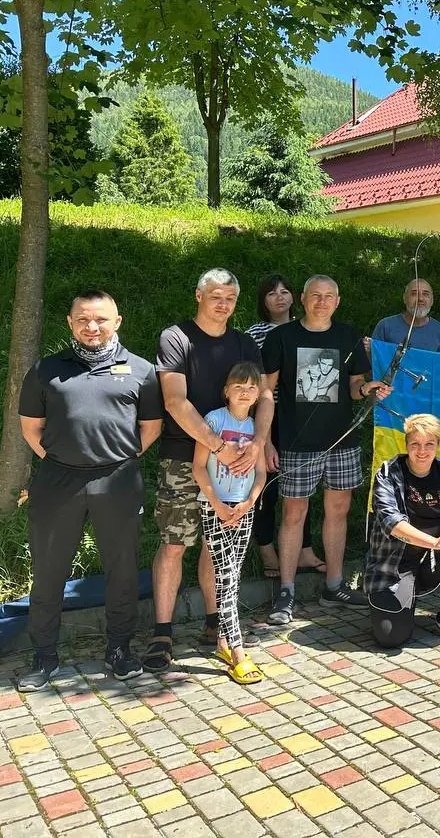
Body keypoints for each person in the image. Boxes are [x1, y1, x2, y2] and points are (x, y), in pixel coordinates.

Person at [16, 290, 163, 691]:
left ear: (117, 321)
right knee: (48, 572)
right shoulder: (46, 369)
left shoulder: (141, 370)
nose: (92, 327)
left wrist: (115, 458)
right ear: (70, 323)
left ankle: (119, 650)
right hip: (57, 482)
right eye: (83, 319)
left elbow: (150, 429)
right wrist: (64, 458)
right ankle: (44, 656)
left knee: (122, 572)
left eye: (100, 319)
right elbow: (31, 427)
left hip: (117, 481)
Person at [145, 269, 273, 674]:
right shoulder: (176, 338)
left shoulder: (245, 343)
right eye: (216, 296)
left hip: (237, 462)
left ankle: (216, 625)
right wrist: (218, 447)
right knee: (175, 542)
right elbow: (175, 401)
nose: (223, 304)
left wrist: (257, 443)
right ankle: (162, 633)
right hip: (186, 457)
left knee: (216, 547)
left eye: (231, 299)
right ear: (198, 295)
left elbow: (266, 395)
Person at [262, 275, 390, 625]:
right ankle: (286, 592)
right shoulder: (281, 338)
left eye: (328, 296)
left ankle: (334, 584)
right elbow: (264, 393)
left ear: (338, 300)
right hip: (295, 444)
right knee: (293, 514)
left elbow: (353, 388)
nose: (321, 301)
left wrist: (368, 390)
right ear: (302, 299)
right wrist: (265, 441)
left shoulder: (348, 336)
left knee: (338, 511)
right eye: (315, 295)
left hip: (342, 443)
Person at [366, 414, 440, 646]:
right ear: (406, 445)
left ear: (438, 445)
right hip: (395, 562)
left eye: (429, 444)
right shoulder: (388, 473)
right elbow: (393, 524)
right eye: (415, 444)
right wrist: (435, 542)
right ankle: (401, 601)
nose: (422, 451)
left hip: (436, 556)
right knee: (391, 638)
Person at [192, 362, 267, 684]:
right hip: (215, 507)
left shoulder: (256, 427)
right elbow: (198, 467)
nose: (245, 391)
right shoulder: (213, 420)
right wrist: (216, 503)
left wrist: (250, 501)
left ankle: (223, 641)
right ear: (226, 390)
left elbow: (261, 472)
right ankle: (237, 650)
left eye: (251, 387)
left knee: (233, 574)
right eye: (239, 386)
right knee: (225, 576)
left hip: (244, 508)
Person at [247, 275, 323, 580]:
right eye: (271, 293)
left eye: (285, 291)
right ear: (262, 301)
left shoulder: (307, 329)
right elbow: (254, 381)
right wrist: (262, 434)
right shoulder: (255, 334)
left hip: (301, 418)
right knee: (267, 485)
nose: (279, 297)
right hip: (267, 417)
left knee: (302, 487)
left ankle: (304, 550)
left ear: (296, 297)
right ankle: (266, 550)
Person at [372, 278, 440, 353]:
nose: (420, 299)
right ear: (405, 298)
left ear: (432, 300)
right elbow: (375, 362)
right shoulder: (385, 326)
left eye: (425, 294)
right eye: (414, 294)